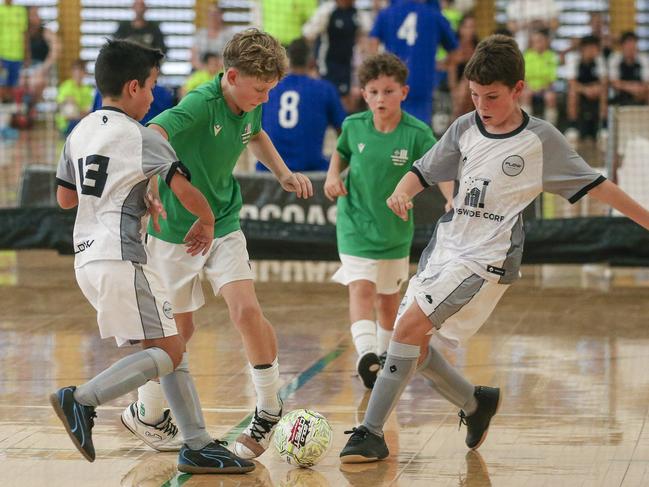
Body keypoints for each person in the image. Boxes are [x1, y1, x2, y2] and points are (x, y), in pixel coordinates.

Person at [339, 34, 649, 462]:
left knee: (405, 330)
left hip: (486, 260)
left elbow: (602, 189)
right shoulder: (464, 127)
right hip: (446, 246)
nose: (481, 104)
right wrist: (402, 192)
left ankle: (370, 432)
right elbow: (424, 170)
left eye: (492, 96)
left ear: (518, 89)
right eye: (474, 95)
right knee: (418, 346)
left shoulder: (542, 141)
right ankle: (474, 403)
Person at [50, 39, 254, 474]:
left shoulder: (80, 131)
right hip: (123, 258)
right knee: (169, 350)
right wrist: (206, 221)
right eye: (152, 87)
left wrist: (132, 190)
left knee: (169, 346)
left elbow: (65, 198)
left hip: (86, 258)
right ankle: (82, 399)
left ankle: (196, 443)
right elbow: (186, 190)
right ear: (133, 87)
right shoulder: (141, 137)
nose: (154, 97)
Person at [120, 28, 313, 459]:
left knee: (245, 309)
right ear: (230, 76)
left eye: (270, 90)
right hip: (174, 236)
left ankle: (268, 406)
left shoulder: (248, 103)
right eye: (260, 90)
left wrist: (281, 172)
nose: (264, 98)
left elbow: (256, 133)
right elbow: (152, 134)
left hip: (222, 224)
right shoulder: (198, 103)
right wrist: (152, 183)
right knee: (178, 333)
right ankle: (146, 414)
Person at [324, 53, 440, 389]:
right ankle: (365, 356)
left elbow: (437, 165)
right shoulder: (353, 125)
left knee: (388, 300)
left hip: (394, 230)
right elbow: (342, 152)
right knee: (361, 288)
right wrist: (333, 176)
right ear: (364, 94)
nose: (380, 98)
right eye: (373, 91)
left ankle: (385, 364)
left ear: (403, 93)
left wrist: (450, 196)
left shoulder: (417, 133)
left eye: (388, 91)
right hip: (354, 224)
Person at [257, 37, 346, 173]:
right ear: (311, 61)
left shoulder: (269, 87)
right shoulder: (325, 89)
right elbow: (344, 134)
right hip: (311, 173)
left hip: (268, 172)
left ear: (286, 62)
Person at [369, 0, 458, 126]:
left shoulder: (387, 12)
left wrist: (378, 72)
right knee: (418, 131)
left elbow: (372, 44)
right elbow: (455, 53)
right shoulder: (434, 15)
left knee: (391, 129)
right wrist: (441, 64)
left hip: (392, 82)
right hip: (423, 83)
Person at [302, 0, 372, 112]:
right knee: (325, 99)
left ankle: (343, 127)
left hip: (347, 65)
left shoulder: (358, 13)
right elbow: (308, 34)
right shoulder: (327, 11)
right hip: (327, 65)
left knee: (346, 102)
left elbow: (365, 35)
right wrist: (311, 63)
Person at [565, 35, 607, 146]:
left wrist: (596, 88)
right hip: (580, 90)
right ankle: (572, 127)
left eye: (595, 48)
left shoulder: (600, 59)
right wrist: (585, 90)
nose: (593, 51)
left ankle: (603, 127)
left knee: (604, 92)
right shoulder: (573, 58)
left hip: (595, 90)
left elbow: (603, 81)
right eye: (590, 48)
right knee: (572, 92)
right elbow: (571, 82)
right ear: (583, 48)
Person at [521, 28, 558, 125]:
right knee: (525, 95)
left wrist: (543, 88)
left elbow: (552, 78)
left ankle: (550, 126)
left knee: (550, 97)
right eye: (535, 42)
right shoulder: (527, 56)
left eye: (540, 41)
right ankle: (525, 126)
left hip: (546, 88)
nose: (538, 44)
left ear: (546, 42)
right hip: (530, 87)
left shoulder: (552, 56)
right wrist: (530, 87)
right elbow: (523, 76)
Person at [607, 31, 649, 106]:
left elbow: (647, 82)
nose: (631, 47)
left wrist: (639, 89)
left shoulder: (644, 58)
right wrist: (631, 88)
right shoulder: (615, 58)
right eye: (628, 44)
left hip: (640, 92)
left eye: (633, 44)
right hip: (621, 93)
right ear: (622, 46)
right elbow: (614, 82)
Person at [190, 3, 236, 71]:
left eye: (215, 14)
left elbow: (233, 56)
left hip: (222, 70)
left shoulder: (229, 34)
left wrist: (217, 68)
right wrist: (204, 69)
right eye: (210, 14)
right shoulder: (200, 34)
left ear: (221, 15)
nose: (213, 17)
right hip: (201, 70)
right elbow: (193, 57)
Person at [0, 0, 29, 102]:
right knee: (2, 84)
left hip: (17, 56)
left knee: (14, 87)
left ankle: (12, 112)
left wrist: (27, 55)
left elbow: (25, 34)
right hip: (2, 56)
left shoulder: (20, 11)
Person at [56, 59, 93, 136]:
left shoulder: (87, 90)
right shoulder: (66, 87)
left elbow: (90, 110)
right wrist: (80, 112)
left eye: (81, 70)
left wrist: (77, 110)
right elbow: (67, 113)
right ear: (72, 72)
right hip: (67, 126)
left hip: (83, 122)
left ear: (84, 73)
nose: (78, 73)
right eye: (76, 70)